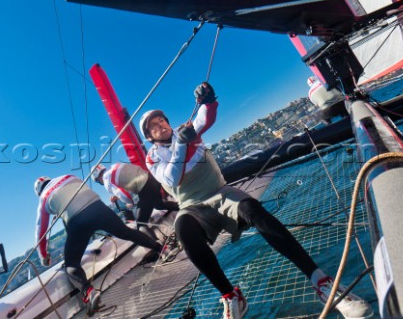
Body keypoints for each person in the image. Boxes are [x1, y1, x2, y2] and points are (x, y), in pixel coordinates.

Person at [139, 82, 374, 319]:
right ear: (149, 137)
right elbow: (172, 178)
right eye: (153, 127)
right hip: (192, 206)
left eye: (161, 120)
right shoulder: (153, 158)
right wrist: (182, 143)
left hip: (220, 193)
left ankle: (321, 282)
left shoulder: (187, 131)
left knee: (254, 210)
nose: (160, 125)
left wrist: (208, 101)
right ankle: (231, 297)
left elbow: (203, 119)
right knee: (183, 231)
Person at [33, 175, 169, 317]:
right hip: (98, 208)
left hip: (77, 221)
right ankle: (161, 248)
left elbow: (40, 231)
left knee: (71, 264)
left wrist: (43, 256)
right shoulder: (68, 177)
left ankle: (89, 293)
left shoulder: (44, 198)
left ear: (39, 191)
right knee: (127, 232)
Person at [91, 163, 179, 242]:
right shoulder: (115, 166)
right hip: (152, 180)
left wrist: (132, 203)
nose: (101, 182)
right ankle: (186, 207)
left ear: (98, 178)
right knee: (159, 205)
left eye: (99, 182)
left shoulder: (107, 180)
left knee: (141, 223)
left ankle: (161, 248)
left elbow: (124, 195)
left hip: (145, 189)